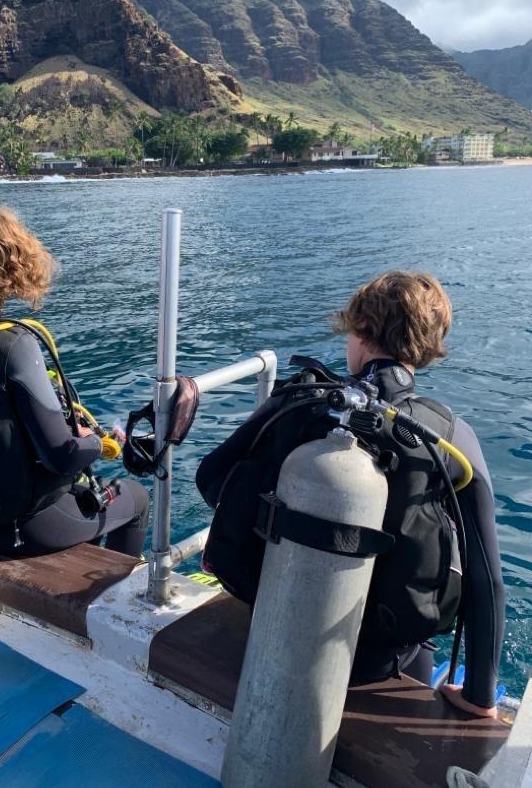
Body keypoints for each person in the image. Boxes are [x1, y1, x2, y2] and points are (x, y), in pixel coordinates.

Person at [196, 271, 505, 718]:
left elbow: (212, 480)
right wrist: (479, 698)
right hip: (384, 659)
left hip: (278, 624)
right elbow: (487, 581)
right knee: (419, 656)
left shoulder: (302, 400)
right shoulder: (452, 437)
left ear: (360, 332)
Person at [0, 204, 149, 559]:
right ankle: (117, 599)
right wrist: (94, 443)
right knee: (136, 498)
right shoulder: (14, 344)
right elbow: (63, 456)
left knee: (85, 501)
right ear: (12, 263)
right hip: (26, 527)